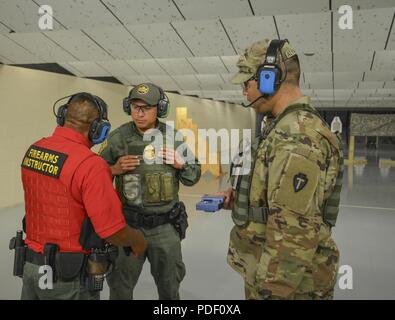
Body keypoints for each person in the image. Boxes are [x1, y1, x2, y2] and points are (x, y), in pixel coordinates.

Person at [218, 39, 343, 299]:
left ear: (268, 78)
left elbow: (293, 231)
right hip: (270, 270)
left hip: (286, 285)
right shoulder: (282, 127)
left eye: (246, 83)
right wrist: (245, 201)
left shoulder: (296, 137)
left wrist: (271, 293)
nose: (244, 92)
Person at [15, 92, 147, 300]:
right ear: (98, 129)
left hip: (31, 269)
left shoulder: (35, 150)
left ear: (63, 116)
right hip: (68, 277)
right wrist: (138, 240)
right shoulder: (92, 165)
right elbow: (112, 231)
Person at [100, 83, 201, 300]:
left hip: (164, 228)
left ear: (160, 109)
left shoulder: (174, 138)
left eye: (146, 107)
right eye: (135, 107)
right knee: (120, 287)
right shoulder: (118, 138)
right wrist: (114, 169)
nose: (139, 113)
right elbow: (94, 178)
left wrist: (181, 164)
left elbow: (194, 176)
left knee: (169, 288)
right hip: (129, 227)